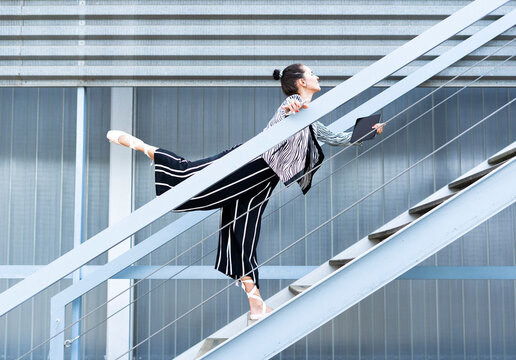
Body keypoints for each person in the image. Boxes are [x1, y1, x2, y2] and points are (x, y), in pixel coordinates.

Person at [107, 63, 384, 321]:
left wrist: (370, 131)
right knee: (190, 175)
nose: (317, 77)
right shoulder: (292, 105)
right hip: (246, 165)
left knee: (243, 237)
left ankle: (256, 305)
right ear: (301, 82)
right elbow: (288, 109)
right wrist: (294, 107)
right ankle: (141, 146)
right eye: (312, 74)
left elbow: (337, 139)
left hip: (263, 182)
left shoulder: (309, 119)